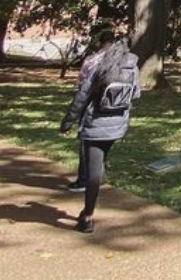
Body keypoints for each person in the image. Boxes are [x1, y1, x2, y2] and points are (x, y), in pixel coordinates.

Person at [59, 36, 141, 233]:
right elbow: (136, 94)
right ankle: (93, 191)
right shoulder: (132, 66)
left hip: (95, 124)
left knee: (93, 171)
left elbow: (82, 96)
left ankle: (87, 216)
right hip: (118, 125)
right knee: (99, 163)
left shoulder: (99, 65)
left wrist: (68, 122)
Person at [63, 29, 115, 193]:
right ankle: (98, 176)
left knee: (87, 144)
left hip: (91, 106)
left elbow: (82, 85)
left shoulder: (92, 60)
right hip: (114, 107)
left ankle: (84, 180)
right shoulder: (122, 61)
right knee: (104, 143)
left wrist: (68, 121)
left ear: (100, 42)